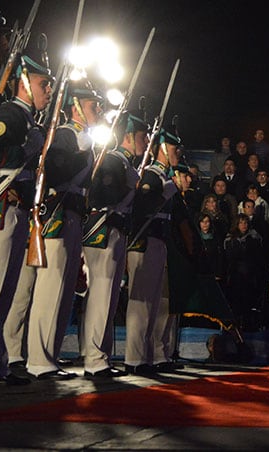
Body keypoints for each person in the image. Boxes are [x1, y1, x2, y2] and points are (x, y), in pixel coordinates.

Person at [26, 80, 98, 381]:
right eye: (93, 106)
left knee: (64, 292)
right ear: (76, 106)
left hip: (73, 215)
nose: (99, 111)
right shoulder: (66, 135)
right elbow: (52, 171)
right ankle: (39, 359)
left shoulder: (82, 139)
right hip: (57, 214)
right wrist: (81, 154)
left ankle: (49, 356)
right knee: (50, 290)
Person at [0, 55, 51, 386]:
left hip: (18, 211)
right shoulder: (10, 114)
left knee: (6, 292)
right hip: (1, 208)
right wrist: (24, 150)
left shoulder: (29, 121)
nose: (48, 90)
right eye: (43, 84)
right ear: (24, 82)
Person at [79, 112, 146, 379]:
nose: (144, 142)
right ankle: (95, 359)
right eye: (141, 137)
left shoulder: (126, 164)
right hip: (104, 230)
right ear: (128, 137)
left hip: (116, 230)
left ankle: (98, 354)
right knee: (101, 294)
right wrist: (130, 189)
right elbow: (101, 194)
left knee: (107, 296)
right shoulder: (114, 160)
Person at [124, 127, 182, 375]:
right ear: (162, 149)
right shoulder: (151, 175)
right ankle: (135, 358)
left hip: (159, 241)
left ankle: (147, 356)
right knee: (141, 303)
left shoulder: (163, 176)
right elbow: (142, 206)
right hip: (145, 242)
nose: (178, 153)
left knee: (154, 302)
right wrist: (166, 191)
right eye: (174, 148)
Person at [223, 214, 263, 331]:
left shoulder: (255, 238)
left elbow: (259, 258)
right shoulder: (230, 239)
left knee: (248, 304)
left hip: (250, 276)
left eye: (245, 223)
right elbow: (228, 258)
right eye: (241, 223)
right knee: (235, 304)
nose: (243, 225)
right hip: (235, 276)